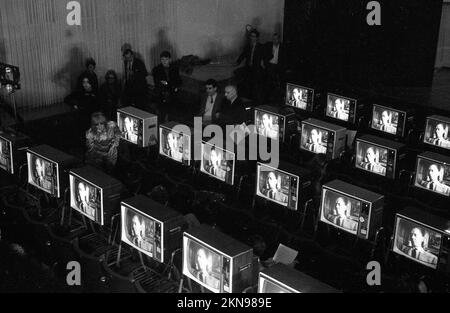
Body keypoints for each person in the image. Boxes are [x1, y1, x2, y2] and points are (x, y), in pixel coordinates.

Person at [235, 30, 265, 106]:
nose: (252, 38)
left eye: (254, 36)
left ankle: (257, 102)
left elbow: (265, 56)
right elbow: (243, 55)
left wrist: (263, 64)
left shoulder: (261, 47)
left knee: (256, 86)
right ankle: (249, 100)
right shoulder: (248, 46)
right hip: (248, 68)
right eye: (251, 36)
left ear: (257, 38)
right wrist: (237, 62)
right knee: (248, 83)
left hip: (256, 69)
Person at [152, 51, 182, 123]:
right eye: (162, 59)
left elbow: (178, 81)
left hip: (172, 96)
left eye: (166, 59)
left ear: (170, 59)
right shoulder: (156, 69)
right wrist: (171, 84)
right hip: (161, 96)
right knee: (161, 116)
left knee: (172, 116)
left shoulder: (174, 68)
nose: (164, 61)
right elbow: (158, 83)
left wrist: (168, 83)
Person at [264, 33, 286, 99]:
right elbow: (265, 55)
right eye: (273, 39)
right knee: (269, 79)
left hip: (278, 65)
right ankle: (269, 95)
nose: (274, 40)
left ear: (279, 39)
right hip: (270, 65)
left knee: (280, 79)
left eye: (276, 39)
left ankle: (278, 95)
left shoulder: (282, 47)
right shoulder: (268, 45)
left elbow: (284, 58)